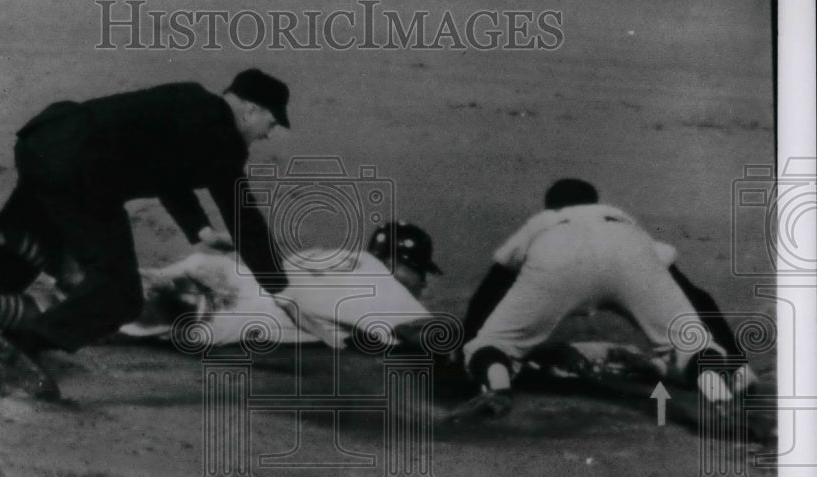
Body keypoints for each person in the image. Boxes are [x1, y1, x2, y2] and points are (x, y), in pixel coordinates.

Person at [0, 69, 292, 400]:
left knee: (24, 253)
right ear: (251, 109)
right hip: (84, 172)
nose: (268, 134)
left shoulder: (188, 97)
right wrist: (282, 291)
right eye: (271, 123)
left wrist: (200, 229)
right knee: (118, 295)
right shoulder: (224, 141)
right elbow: (245, 219)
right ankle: (24, 342)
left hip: (45, 142)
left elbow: (168, 173)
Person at [446, 178, 757, 418]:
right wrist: (738, 361)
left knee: (493, 343)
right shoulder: (621, 220)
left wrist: (466, 346)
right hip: (630, 256)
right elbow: (696, 295)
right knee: (690, 343)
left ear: (551, 208)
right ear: (595, 203)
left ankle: (496, 387)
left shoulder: (543, 223)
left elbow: (490, 290)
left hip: (557, 261)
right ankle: (723, 398)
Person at [119, 221, 446, 351]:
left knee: (110, 292)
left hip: (220, 272)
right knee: (131, 310)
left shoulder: (336, 256)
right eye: (418, 271)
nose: (423, 283)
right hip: (226, 306)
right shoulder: (383, 285)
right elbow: (426, 335)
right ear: (393, 264)